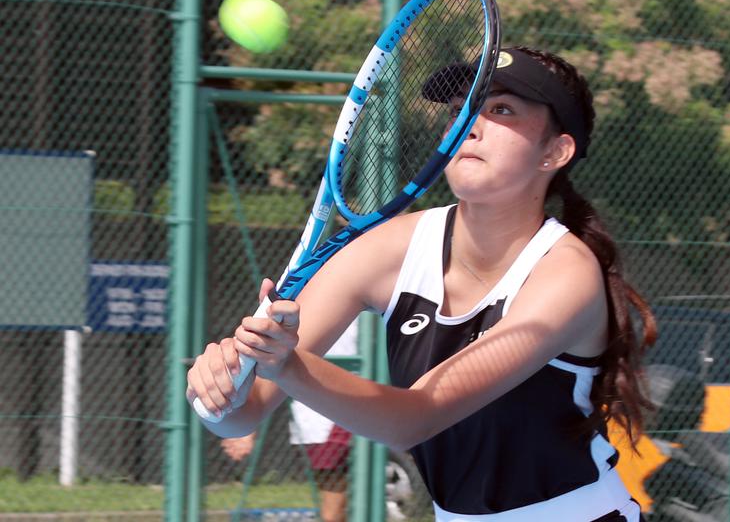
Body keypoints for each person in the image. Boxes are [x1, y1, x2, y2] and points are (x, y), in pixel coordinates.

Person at [188, 46, 657, 521]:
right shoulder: (393, 247)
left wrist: (288, 366)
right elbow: (246, 412)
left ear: (555, 151)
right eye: (460, 110)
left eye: (500, 110)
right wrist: (217, 395)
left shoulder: (564, 272)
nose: (468, 125)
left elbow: (417, 416)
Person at [220, 321, 359, 522]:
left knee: (333, 513)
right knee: (332, 508)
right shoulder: (285, 305)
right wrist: (247, 428)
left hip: (351, 401)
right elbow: (269, 357)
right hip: (314, 414)